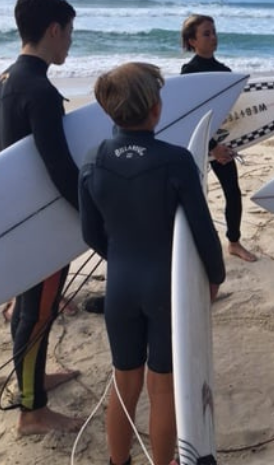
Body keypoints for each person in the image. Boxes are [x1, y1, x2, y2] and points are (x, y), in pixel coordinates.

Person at [79, 62, 226, 465]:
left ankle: (118, 462)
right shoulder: (176, 161)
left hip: (120, 286)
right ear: (155, 108)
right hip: (165, 287)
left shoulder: (93, 160)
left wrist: (123, 256)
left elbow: (90, 233)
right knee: (163, 386)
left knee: (124, 380)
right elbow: (202, 229)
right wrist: (214, 276)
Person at [0, 0, 83, 435]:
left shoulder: (5, 79)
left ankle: (35, 383)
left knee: (30, 309)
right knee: (36, 312)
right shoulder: (40, 91)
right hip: (41, 223)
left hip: (16, 216)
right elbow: (60, 169)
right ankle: (32, 412)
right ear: (52, 29)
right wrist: (92, 216)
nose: (69, 43)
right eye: (68, 33)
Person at [180, 14, 258, 262]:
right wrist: (213, 148)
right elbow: (191, 115)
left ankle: (234, 242)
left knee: (232, 193)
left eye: (214, 32)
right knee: (193, 196)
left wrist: (227, 145)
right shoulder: (189, 72)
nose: (213, 37)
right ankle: (191, 246)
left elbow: (229, 116)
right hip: (199, 145)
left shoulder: (225, 73)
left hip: (222, 145)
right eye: (206, 33)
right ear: (192, 41)